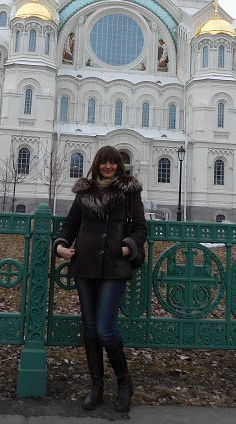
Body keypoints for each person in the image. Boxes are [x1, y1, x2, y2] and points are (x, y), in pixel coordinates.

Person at [54, 146, 147, 413]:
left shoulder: (129, 191)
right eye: (103, 162)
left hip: (114, 265)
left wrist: (128, 247)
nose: (108, 167)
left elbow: (140, 227)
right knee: (90, 328)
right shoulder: (85, 192)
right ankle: (96, 386)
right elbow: (71, 224)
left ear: (119, 165)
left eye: (113, 162)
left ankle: (124, 382)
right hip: (85, 265)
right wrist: (60, 245)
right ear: (96, 164)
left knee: (105, 329)